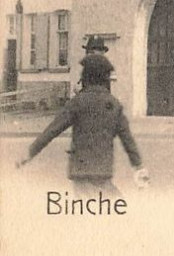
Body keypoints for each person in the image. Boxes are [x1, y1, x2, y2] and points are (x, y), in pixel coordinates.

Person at [17, 53, 147, 192]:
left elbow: (51, 131)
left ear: (86, 76)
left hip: (81, 173)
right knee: (114, 208)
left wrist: (29, 154)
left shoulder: (77, 102)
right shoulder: (114, 105)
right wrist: (139, 169)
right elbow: (128, 141)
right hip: (103, 172)